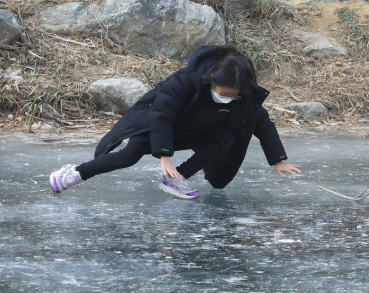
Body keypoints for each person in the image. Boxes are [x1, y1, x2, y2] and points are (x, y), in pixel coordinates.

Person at [49, 46, 301, 199]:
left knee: (225, 138)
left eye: (231, 96)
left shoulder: (241, 94)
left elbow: (262, 122)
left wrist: (277, 159)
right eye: (222, 93)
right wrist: (164, 154)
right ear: (212, 78)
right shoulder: (185, 81)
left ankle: (177, 179)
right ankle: (73, 173)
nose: (226, 99)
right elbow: (161, 114)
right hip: (157, 127)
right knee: (128, 157)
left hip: (192, 131)